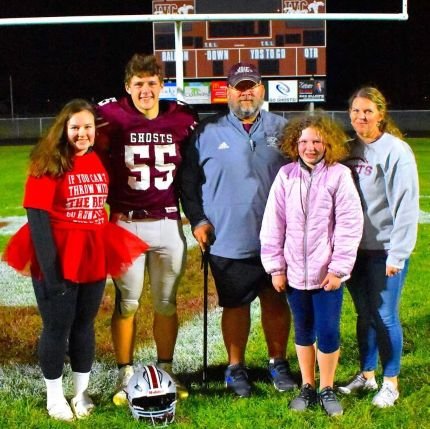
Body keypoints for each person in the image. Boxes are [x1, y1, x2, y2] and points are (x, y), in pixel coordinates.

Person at [2, 99, 148, 421]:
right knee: (57, 326)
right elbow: (37, 219)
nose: (82, 133)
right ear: (63, 129)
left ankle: (81, 393)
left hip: (94, 250)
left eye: (87, 127)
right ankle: (55, 397)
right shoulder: (48, 162)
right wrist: (52, 276)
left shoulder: (97, 159)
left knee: (84, 326)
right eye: (75, 127)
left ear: (95, 131)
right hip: (57, 252)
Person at [180, 62, 295, 398]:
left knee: (275, 303)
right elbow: (189, 184)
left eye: (252, 86)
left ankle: (279, 362)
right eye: (239, 87)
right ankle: (235, 368)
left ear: (262, 90)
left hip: (276, 240)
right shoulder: (206, 132)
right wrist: (199, 220)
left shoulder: (285, 129)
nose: (246, 92)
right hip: (227, 239)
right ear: (227, 92)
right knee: (235, 305)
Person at [95, 54, 198, 403]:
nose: (145, 90)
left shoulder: (182, 116)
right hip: (125, 222)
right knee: (128, 302)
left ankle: (165, 369)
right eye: (138, 83)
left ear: (161, 85)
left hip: (168, 221)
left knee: (166, 302)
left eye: (152, 83)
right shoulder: (108, 116)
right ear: (127, 87)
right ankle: (125, 373)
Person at [260, 113, 363, 416]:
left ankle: (326, 387)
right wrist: (276, 267)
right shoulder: (286, 175)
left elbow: (349, 223)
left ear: (327, 142)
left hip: (326, 275)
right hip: (294, 273)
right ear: (295, 143)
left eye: (317, 140)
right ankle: (307, 385)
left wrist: (338, 268)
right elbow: (273, 223)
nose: (310, 146)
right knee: (303, 330)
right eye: (304, 141)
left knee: (328, 331)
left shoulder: (339, 175)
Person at [339, 87, 419, 407]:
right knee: (364, 314)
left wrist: (398, 253)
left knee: (385, 314)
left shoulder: (395, 151)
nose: (361, 116)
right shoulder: (347, 149)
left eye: (368, 111)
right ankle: (367, 374)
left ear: (381, 114)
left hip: (385, 250)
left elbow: (406, 206)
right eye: (356, 111)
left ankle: (391, 382)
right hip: (355, 251)